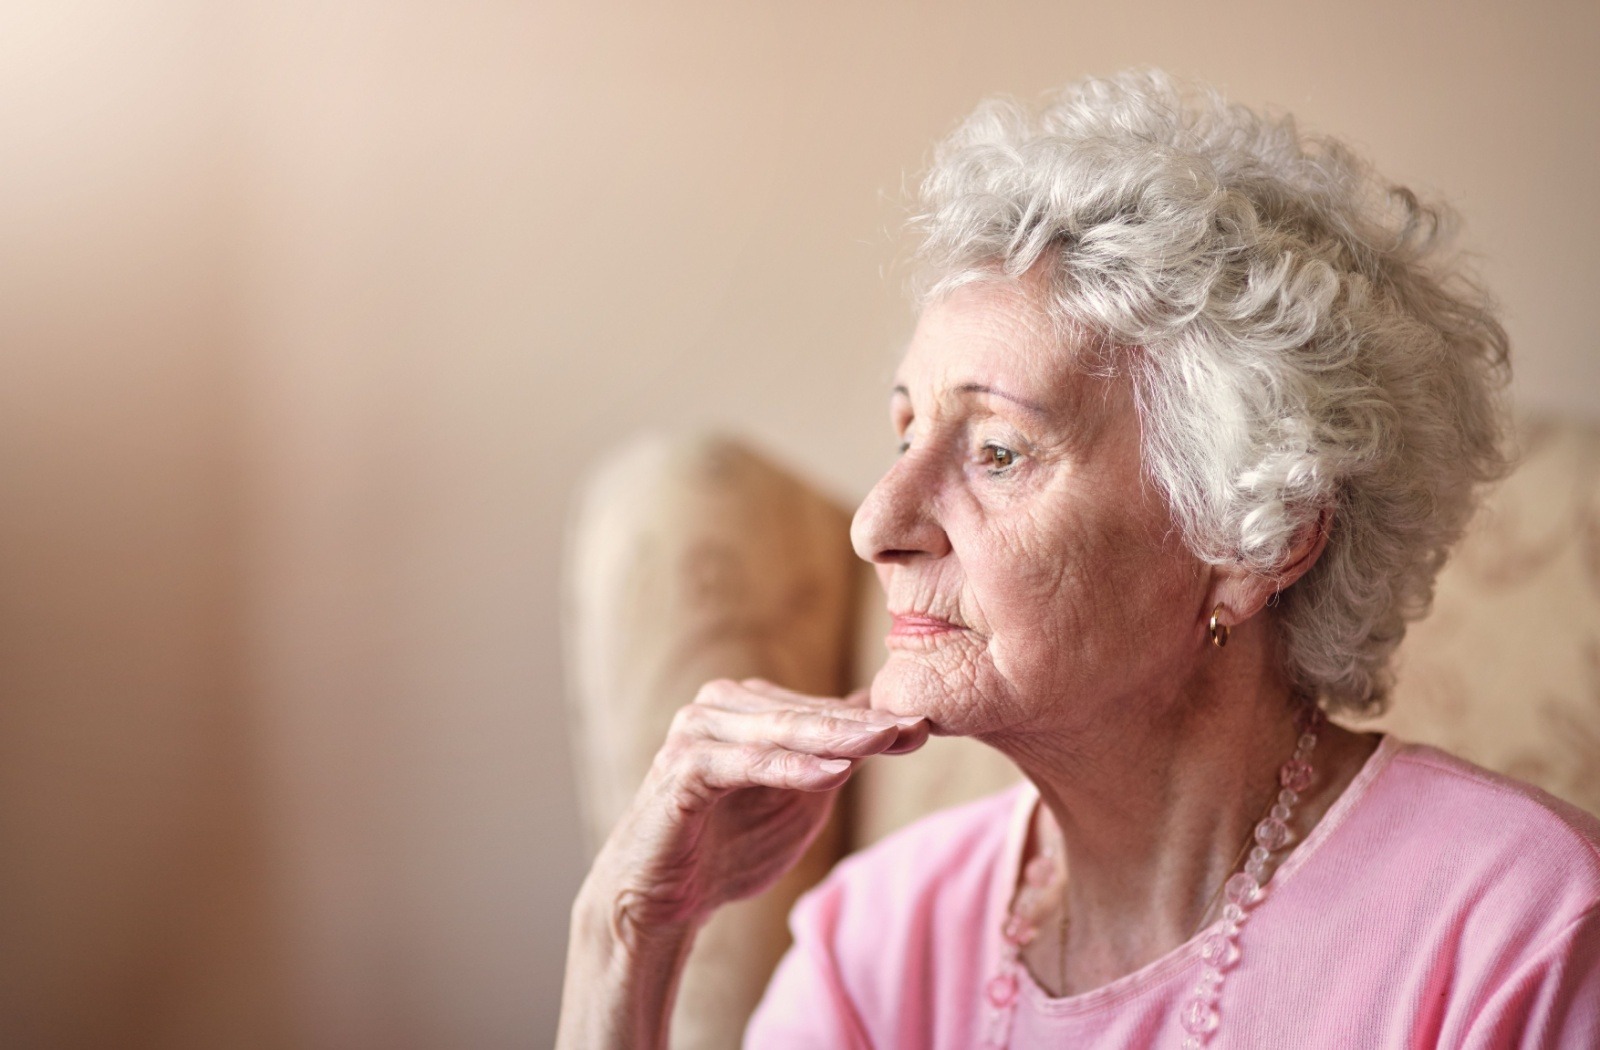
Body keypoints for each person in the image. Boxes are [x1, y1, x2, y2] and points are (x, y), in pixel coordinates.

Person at [557, 70, 1600, 1048]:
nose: (877, 522)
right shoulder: (878, 938)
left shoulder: (1517, 925)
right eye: (903, 432)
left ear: (1257, 537)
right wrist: (625, 932)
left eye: (997, 453)